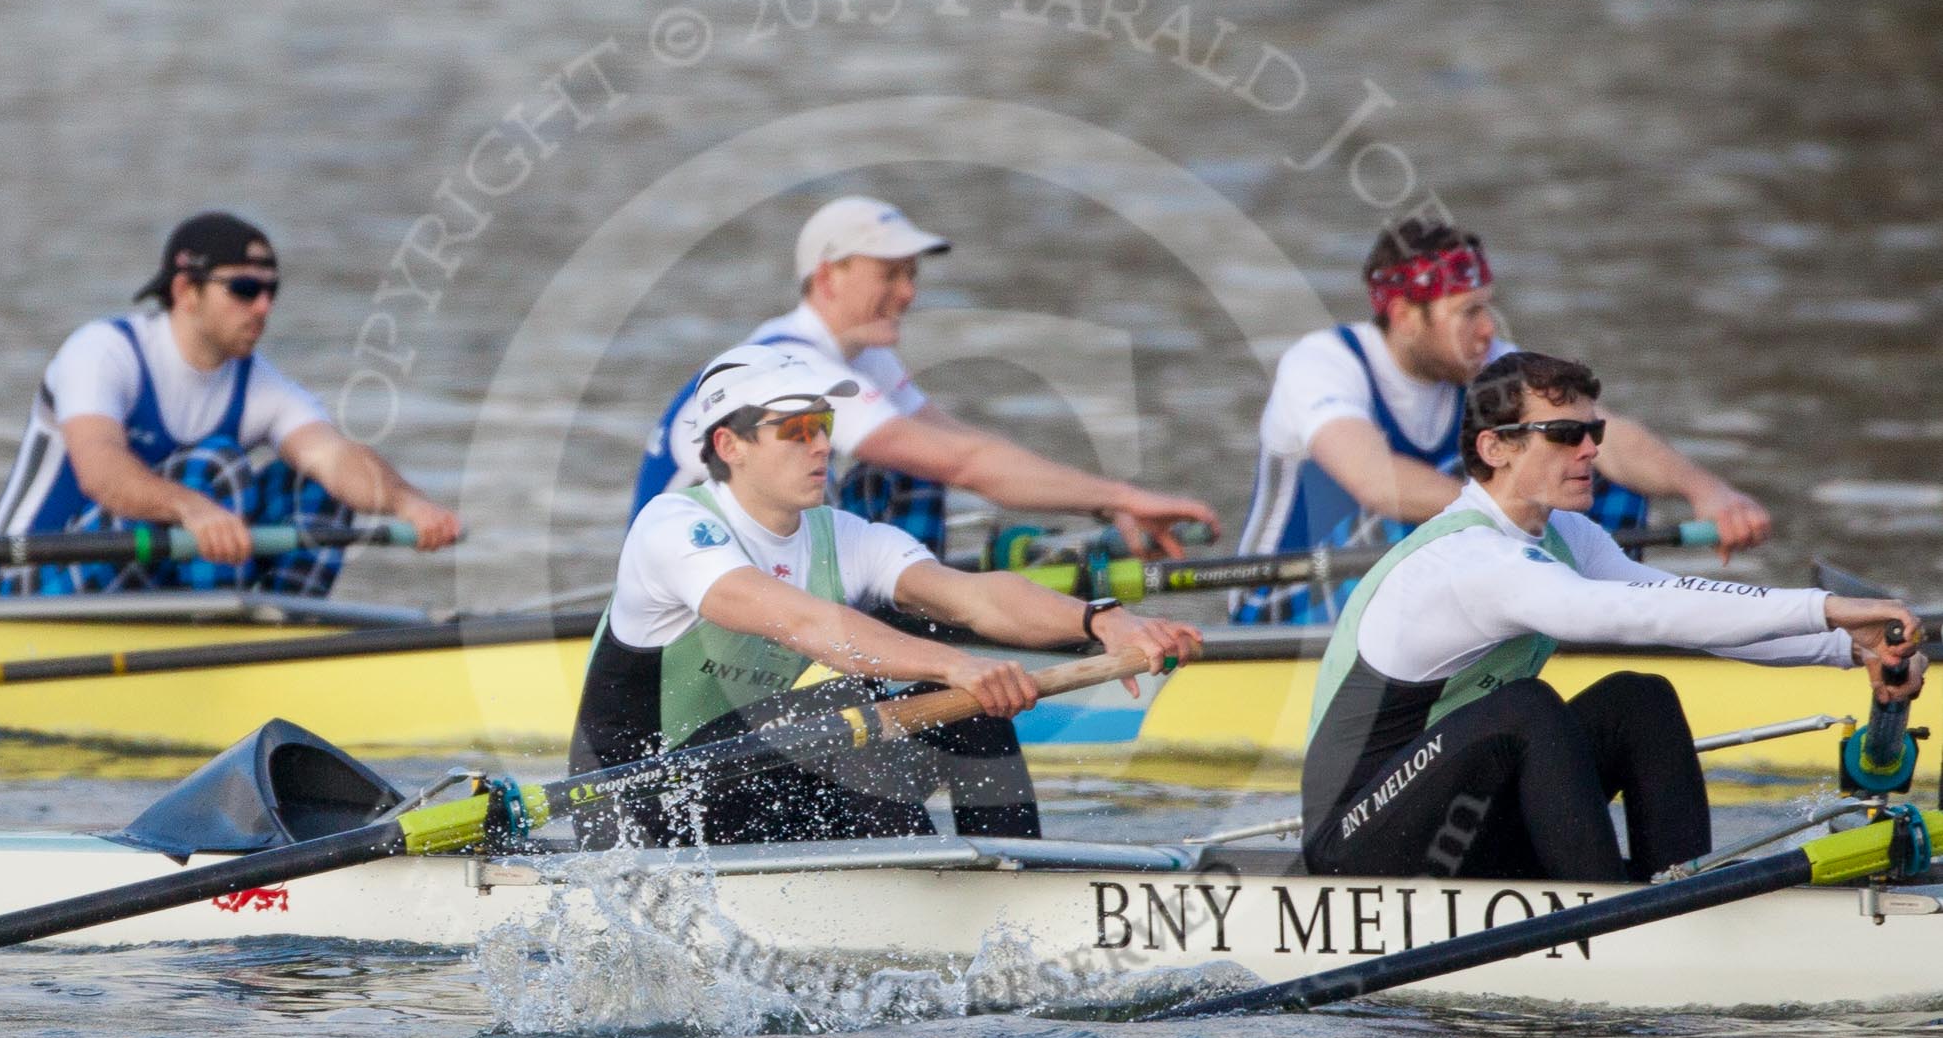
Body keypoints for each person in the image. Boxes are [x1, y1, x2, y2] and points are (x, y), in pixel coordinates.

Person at [1300, 350, 1924, 883]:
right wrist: (1829, 608)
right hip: (1355, 843)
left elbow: (1679, 601)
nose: (1592, 449)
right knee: (1527, 706)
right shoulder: (1469, 559)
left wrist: (1847, 649)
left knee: (1639, 698)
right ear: (1497, 448)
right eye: (1566, 434)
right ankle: (1612, 919)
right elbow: (1626, 615)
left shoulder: (1566, 534)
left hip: (1458, 825)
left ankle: (1677, 889)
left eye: (1593, 431)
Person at [575, 344, 1203, 847]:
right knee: (859, 699)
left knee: (965, 705)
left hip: (744, 791)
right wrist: (956, 662)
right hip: (634, 813)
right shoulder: (674, 527)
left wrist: (1102, 621)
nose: (822, 444)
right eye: (794, 427)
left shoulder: (841, 536)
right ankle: (921, 899)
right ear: (728, 445)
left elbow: (974, 599)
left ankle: (1017, 889)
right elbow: (807, 624)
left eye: (823, 424)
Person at [1232, 218, 1772, 623]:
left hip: (1418, 601)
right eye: (1468, 311)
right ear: (1403, 316)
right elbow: (1377, 482)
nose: (1487, 328)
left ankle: (1597, 627)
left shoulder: (1484, 364)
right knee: (1420, 515)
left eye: (1487, 308)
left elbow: (1610, 439)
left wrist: (1707, 491)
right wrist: (1536, 532)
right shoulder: (1324, 363)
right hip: (1287, 603)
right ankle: (1564, 611)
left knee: (1583, 465)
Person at [632, 195, 1219, 558]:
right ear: (828, 277)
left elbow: (964, 449)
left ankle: (913, 618)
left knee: (910, 466)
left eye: (911, 275)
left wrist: (1104, 506)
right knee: (909, 464)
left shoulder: (862, 357)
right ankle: (909, 635)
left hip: (756, 567)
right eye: (889, 275)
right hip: (690, 586)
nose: (908, 293)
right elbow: (964, 466)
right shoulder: (796, 364)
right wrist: (1123, 495)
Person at [0, 212, 460, 595]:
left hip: (148, 581)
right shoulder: (103, 351)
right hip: (31, 578)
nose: (263, 308)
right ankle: (216, 636)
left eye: (271, 290)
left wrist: (407, 503)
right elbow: (100, 468)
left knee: (316, 484)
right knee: (215, 467)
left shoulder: (260, 384)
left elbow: (334, 459)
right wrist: (193, 509)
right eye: (244, 289)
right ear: (185, 291)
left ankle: (281, 633)